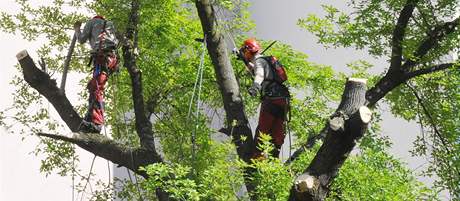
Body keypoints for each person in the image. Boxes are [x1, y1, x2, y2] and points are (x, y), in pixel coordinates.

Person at [238, 38, 290, 158]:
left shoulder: (259, 61)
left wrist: (255, 86)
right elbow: (255, 69)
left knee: (263, 129)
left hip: (271, 99)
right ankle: (274, 157)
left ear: (247, 50)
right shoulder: (265, 60)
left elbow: (259, 74)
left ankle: (257, 157)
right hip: (283, 100)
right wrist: (244, 61)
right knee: (277, 129)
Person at [74, 15, 119, 133]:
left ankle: (97, 124)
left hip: (102, 57)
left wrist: (77, 29)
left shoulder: (92, 22)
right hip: (111, 59)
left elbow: (81, 39)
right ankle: (90, 118)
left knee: (96, 88)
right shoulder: (110, 24)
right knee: (94, 86)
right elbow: (116, 43)